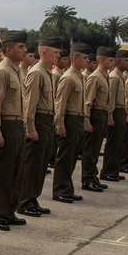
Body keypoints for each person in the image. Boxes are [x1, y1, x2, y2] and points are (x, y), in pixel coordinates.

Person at [0, 31, 28, 231]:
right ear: (8, 49)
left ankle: (10, 210)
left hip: (18, 124)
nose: (25, 50)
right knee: (3, 173)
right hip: (6, 124)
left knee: (16, 171)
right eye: (21, 46)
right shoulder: (2, 71)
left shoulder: (17, 71)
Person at [18, 37, 58, 217]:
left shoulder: (47, 72)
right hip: (38, 120)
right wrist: (30, 127)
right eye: (55, 52)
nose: (58, 56)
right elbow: (30, 104)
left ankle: (33, 198)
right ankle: (25, 201)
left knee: (41, 164)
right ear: (43, 53)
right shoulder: (37, 73)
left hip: (47, 120)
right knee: (33, 164)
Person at [52, 42, 87, 203]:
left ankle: (67, 188)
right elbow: (60, 103)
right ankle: (60, 190)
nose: (87, 60)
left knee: (72, 157)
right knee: (65, 157)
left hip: (78, 118)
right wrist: (59, 124)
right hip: (69, 119)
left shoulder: (80, 77)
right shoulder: (68, 78)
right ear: (74, 58)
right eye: (84, 57)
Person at [81, 45, 111, 192]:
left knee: (96, 148)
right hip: (95, 114)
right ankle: (87, 179)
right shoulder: (95, 77)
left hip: (102, 113)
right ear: (102, 60)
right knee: (90, 149)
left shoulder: (105, 76)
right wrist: (86, 120)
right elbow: (88, 101)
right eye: (110, 60)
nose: (113, 63)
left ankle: (93, 177)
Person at [99, 48, 128, 182]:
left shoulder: (120, 76)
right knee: (113, 144)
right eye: (125, 60)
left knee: (119, 144)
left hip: (121, 111)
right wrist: (110, 116)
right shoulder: (115, 77)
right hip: (115, 111)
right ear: (118, 61)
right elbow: (110, 100)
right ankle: (108, 171)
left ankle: (114, 170)